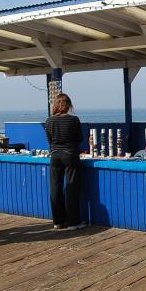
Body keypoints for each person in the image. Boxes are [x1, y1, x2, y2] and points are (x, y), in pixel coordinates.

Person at [44, 93, 86, 230]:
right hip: (70, 154)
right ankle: (73, 222)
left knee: (55, 188)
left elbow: (49, 140)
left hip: (55, 155)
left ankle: (58, 221)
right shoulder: (74, 120)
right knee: (71, 187)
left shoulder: (49, 121)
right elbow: (80, 138)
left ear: (55, 105)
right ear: (68, 105)